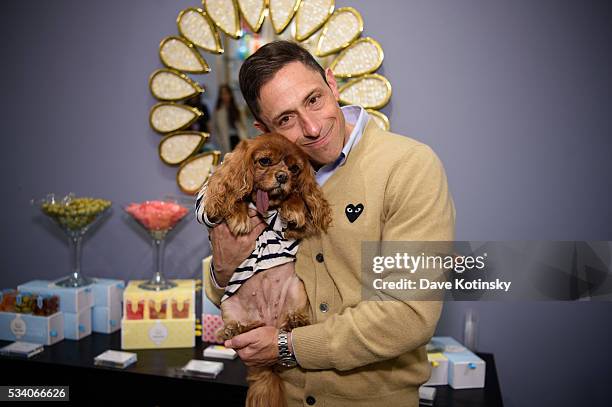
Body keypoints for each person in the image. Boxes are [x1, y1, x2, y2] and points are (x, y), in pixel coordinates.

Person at [203, 40, 455, 406]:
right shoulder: (263, 177)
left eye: (314, 99)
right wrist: (224, 269)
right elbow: (219, 286)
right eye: (286, 119)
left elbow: (409, 313)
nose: (312, 127)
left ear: (332, 83)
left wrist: (289, 346)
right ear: (263, 129)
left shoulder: (409, 167)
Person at [211, 84, 248, 154]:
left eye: (226, 93)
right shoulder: (217, 111)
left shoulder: (237, 109)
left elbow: (243, 126)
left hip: (238, 139)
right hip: (225, 141)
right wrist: (219, 142)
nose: (225, 96)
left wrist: (245, 139)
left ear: (230, 94)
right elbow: (214, 129)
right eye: (222, 94)